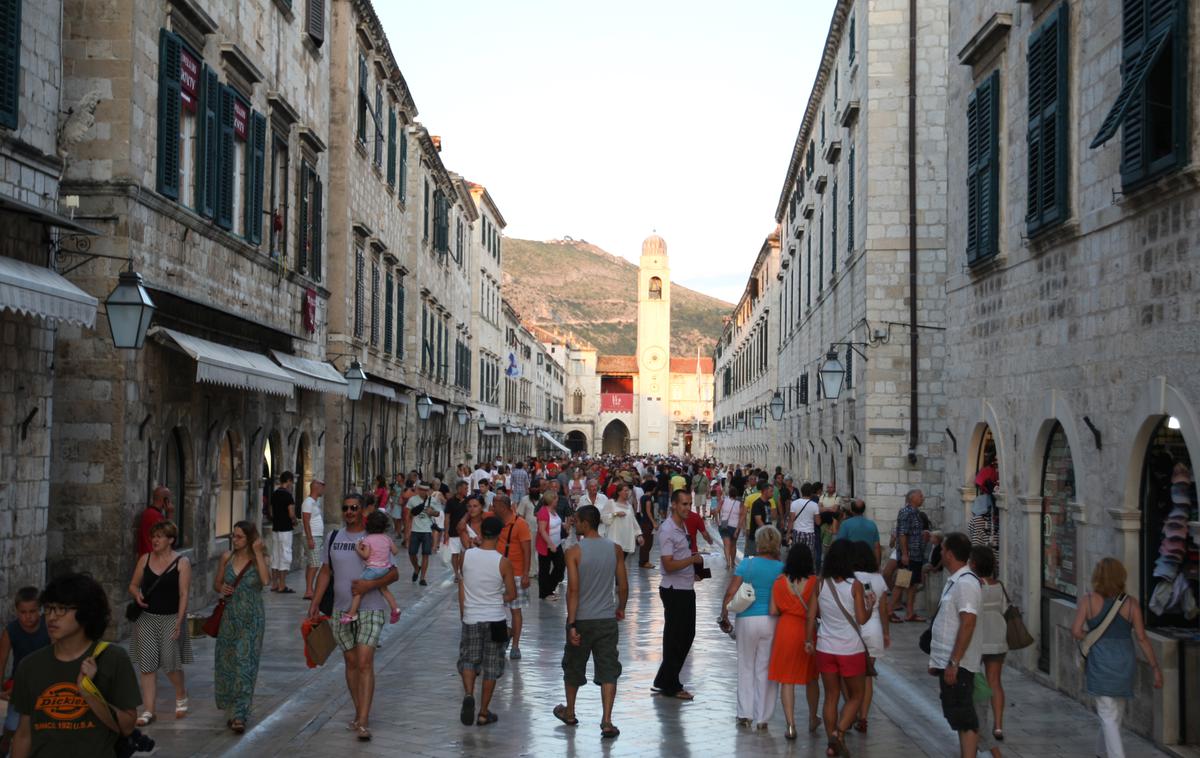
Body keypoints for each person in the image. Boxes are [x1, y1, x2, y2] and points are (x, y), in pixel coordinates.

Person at [8, 574, 140, 758]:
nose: (52, 617)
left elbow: (127, 727)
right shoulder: (29, 666)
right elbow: (24, 734)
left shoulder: (113, 658)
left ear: (86, 613)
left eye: (62, 609)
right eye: (49, 609)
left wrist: (88, 693)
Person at [307, 493, 400, 742]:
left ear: (362, 511)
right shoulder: (333, 537)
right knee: (350, 663)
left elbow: (393, 574)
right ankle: (359, 712)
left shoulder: (374, 538)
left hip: (370, 608)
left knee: (365, 662)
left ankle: (363, 720)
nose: (349, 512)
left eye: (354, 508)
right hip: (340, 609)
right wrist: (315, 601)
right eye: (345, 508)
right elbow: (326, 572)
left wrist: (370, 586)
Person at [1070, 557, 1162, 758]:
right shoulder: (1131, 604)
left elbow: (1076, 631)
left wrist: (1092, 637)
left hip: (1100, 661)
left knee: (1108, 714)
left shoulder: (1088, 600)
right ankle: (1102, 752)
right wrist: (1155, 667)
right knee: (1115, 711)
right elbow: (1142, 638)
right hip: (1124, 662)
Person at [555, 505, 628, 739]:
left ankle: (570, 711)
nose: (575, 524)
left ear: (586, 523)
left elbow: (573, 590)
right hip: (606, 618)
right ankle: (607, 720)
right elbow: (623, 586)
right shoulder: (615, 549)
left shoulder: (574, 552)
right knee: (608, 669)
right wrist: (621, 608)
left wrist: (571, 624)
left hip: (583, 619)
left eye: (577, 521)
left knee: (574, 665)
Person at [805, 539, 870, 758]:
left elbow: (811, 615)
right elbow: (861, 618)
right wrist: (870, 606)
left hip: (825, 646)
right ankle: (839, 735)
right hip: (850, 648)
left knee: (831, 696)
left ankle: (831, 741)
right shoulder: (855, 586)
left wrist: (808, 640)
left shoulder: (820, 583)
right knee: (856, 695)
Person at [127, 520, 191, 726]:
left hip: (171, 618)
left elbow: (183, 594)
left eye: (159, 536)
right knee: (147, 666)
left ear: (170, 540)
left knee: (170, 664)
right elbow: (133, 585)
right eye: (153, 536)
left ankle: (181, 694)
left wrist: (179, 622)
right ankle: (148, 710)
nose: (154, 540)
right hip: (146, 618)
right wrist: (136, 595)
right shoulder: (144, 560)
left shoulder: (182, 562)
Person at [719, 525, 784, 730]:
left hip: (747, 619)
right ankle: (763, 717)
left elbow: (731, 591)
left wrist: (724, 614)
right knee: (765, 668)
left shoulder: (747, 564)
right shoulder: (781, 568)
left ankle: (744, 713)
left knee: (745, 665)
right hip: (772, 620)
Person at [457, 516, 517, 727]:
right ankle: (483, 712)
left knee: (468, 660)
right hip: (496, 619)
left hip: (472, 616)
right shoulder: (503, 562)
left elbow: (461, 585)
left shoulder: (466, 556)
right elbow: (511, 594)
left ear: (481, 532)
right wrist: (495, 597)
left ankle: (468, 694)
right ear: (500, 534)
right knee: (492, 665)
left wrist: (465, 610)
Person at [927, 532, 982, 758]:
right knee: (956, 714)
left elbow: (968, 623)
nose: (940, 553)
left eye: (942, 550)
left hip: (959, 663)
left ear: (949, 554)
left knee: (964, 715)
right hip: (948, 660)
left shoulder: (967, 583)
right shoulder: (956, 581)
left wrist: (953, 662)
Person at [213, 520, 269, 733]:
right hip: (230, 616)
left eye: (239, 537)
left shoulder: (259, 559)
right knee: (228, 663)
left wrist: (258, 552)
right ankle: (231, 707)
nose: (234, 540)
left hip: (252, 618)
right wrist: (222, 588)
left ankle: (240, 714)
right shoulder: (227, 557)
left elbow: (265, 581)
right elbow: (216, 583)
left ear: (249, 539)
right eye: (233, 536)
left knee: (245, 663)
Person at [653, 489, 703, 701]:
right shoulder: (667, 530)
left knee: (684, 635)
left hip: (685, 586)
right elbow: (668, 564)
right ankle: (671, 684)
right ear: (673, 505)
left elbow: (680, 556)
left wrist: (695, 569)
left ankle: (664, 679)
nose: (687, 508)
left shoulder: (681, 527)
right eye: (683, 504)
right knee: (677, 638)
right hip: (675, 590)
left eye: (689, 504)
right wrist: (691, 561)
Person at [768, 544, 820, 740]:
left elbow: (773, 611)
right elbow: (819, 609)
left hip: (785, 630)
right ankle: (813, 717)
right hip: (806, 630)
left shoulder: (779, 582)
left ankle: (790, 725)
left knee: (786, 680)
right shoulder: (815, 582)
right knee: (812, 678)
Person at [0, 588, 49, 754]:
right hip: (19, 684)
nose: (28, 616)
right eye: (23, 612)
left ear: (40, 609)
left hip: (45, 682)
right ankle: (5, 742)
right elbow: (2, 659)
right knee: (12, 724)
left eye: (33, 611)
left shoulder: (49, 627)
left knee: (42, 724)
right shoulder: (11, 631)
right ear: (16, 611)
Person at [969, 545, 1007, 747]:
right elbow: (1004, 609)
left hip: (978, 638)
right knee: (995, 681)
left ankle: (977, 720)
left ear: (974, 564)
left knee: (974, 678)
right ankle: (998, 726)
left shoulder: (974, 586)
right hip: (997, 637)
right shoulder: (999, 586)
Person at [850, 540, 889, 734]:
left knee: (851, 675)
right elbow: (883, 609)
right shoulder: (879, 579)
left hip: (855, 628)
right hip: (873, 629)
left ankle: (851, 712)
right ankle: (863, 717)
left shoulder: (851, 578)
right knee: (867, 676)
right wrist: (886, 633)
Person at [342, 511, 402, 625]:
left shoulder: (368, 539)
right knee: (384, 589)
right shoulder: (387, 538)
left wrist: (357, 548)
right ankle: (395, 609)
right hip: (385, 569)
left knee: (358, 590)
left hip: (372, 569)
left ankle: (351, 614)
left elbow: (365, 555)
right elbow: (395, 551)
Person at [493, 495, 531, 659]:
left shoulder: (520, 524)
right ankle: (504, 637)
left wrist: (525, 574)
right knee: (496, 609)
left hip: (515, 572)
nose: (492, 508)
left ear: (503, 506)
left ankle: (515, 645)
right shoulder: (495, 522)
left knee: (515, 610)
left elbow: (527, 550)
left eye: (495, 505)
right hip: (497, 572)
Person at [895, 489, 926, 621]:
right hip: (909, 556)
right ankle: (889, 610)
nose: (923, 498)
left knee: (913, 585)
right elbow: (902, 533)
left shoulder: (916, 513)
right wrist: (905, 554)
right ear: (912, 497)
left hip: (917, 555)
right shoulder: (906, 512)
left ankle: (909, 613)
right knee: (902, 582)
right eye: (920, 496)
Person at [269, 471, 298, 593]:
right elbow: (291, 513)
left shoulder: (274, 494)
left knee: (275, 556)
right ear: (289, 481)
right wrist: (295, 520)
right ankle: (282, 585)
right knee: (285, 556)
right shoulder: (288, 495)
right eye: (292, 482)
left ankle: (274, 584)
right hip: (285, 529)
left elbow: (270, 511)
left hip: (275, 528)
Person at [405, 481, 439, 586]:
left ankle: (422, 578)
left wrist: (432, 512)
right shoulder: (412, 500)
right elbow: (408, 516)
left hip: (427, 531)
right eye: (421, 489)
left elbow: (438, 513)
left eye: (425, 490)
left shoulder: (433, 500)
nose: (423, 492)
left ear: (428, 490)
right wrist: (407, 532)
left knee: (425, 554)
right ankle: (416, 568)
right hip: (415, 530)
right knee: (411, 553)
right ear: (418, 489)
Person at [536, 491, 567, 600]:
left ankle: (549, 588)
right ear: (551, 500)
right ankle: (545, 593)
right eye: (555, 499)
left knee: (560, 566)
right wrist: (550, 544)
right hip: (547, 545)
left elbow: (556, 522)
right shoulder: (543, 512)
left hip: (557, 544)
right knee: (545, 569)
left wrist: (563, 524)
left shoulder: (553, 510)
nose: (557, 500)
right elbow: (542, 530)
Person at [300, 479, 326, 600]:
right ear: (317, 488)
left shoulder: (315, 502)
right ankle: (309, 590)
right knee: (315, 564)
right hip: (312, 536)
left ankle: (309, 589)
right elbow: (306, 520)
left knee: (311, 563)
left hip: (316, 536)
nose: (323, 490)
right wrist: (310, 538)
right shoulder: (308, 502)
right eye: (322, 487)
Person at [599, 482, 638, 557]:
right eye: (625, 491)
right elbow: (603, 518)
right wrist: (615, 514)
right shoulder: (611, 503)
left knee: (622, 562)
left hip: (625, 539)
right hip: (614, 539)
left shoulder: (629, 506)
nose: (627, 493)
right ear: (619, 492)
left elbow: (633, 522)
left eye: (628, 491)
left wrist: (639, 535)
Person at [837, 498, 881, 564]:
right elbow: (877, 547)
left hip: (852, 562)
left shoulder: (845, 524)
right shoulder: (872, 525)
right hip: (868, 562)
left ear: (851, 510)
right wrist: (877, 565)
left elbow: (840, 545)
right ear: (864, 510)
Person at [445, 481, 471, 582]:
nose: (467, 490)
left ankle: (462, 572)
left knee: (465, 553)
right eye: (465, 488)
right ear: (459, 489)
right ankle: (456, 574)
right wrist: (446, 532)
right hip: (453, 531)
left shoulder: (468, 501)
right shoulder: (451, 501)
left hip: (465, 532)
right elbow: (447, 517)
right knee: (455, 553)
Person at [136, 486, 174, 556]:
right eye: (169, 500)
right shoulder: (156, 516)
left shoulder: (147, 512)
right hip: (153, 558)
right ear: (166, 500)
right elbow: (169, 535)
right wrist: (170, 513)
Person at [787, 483, 821, 558]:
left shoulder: (794, 503)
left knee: (797, 555)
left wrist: (788, 533)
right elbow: (818, 522)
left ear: (801, 491)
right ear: (811, 493)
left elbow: (791, 520)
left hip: (797, 532)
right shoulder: (815, 505)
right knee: (809, 556)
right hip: (810, 533)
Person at [714, 484, 743, 571]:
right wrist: (738, 529)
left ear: (729, 493)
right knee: (733, 545)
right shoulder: (740, 504)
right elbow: (742, 517)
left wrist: (717, 522)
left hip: (724, 525)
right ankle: (733, 562)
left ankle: (728, 563)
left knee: (726, 545)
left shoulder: (723, 501)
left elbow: (716, 511)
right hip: (734, 527)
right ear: (736, 494)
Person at [745, 483, 775, 556]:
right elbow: (758, 520)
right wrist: (767, 531)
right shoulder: (757, 503)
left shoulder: (768, 503)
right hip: (758, 536)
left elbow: (770, 518)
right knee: (756, 556)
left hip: (765, 536)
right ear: (765, 491)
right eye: (771, 491)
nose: (773, 493)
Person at [636, 481, 659, 568]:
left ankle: (643, 561)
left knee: (644, 543)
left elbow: (642, 511)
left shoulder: (642, 497)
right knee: (648, 543)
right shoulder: (648, 498)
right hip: (648, 523)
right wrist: (654, 523)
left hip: (643, 522)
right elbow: (649, 512)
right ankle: (645, 561)